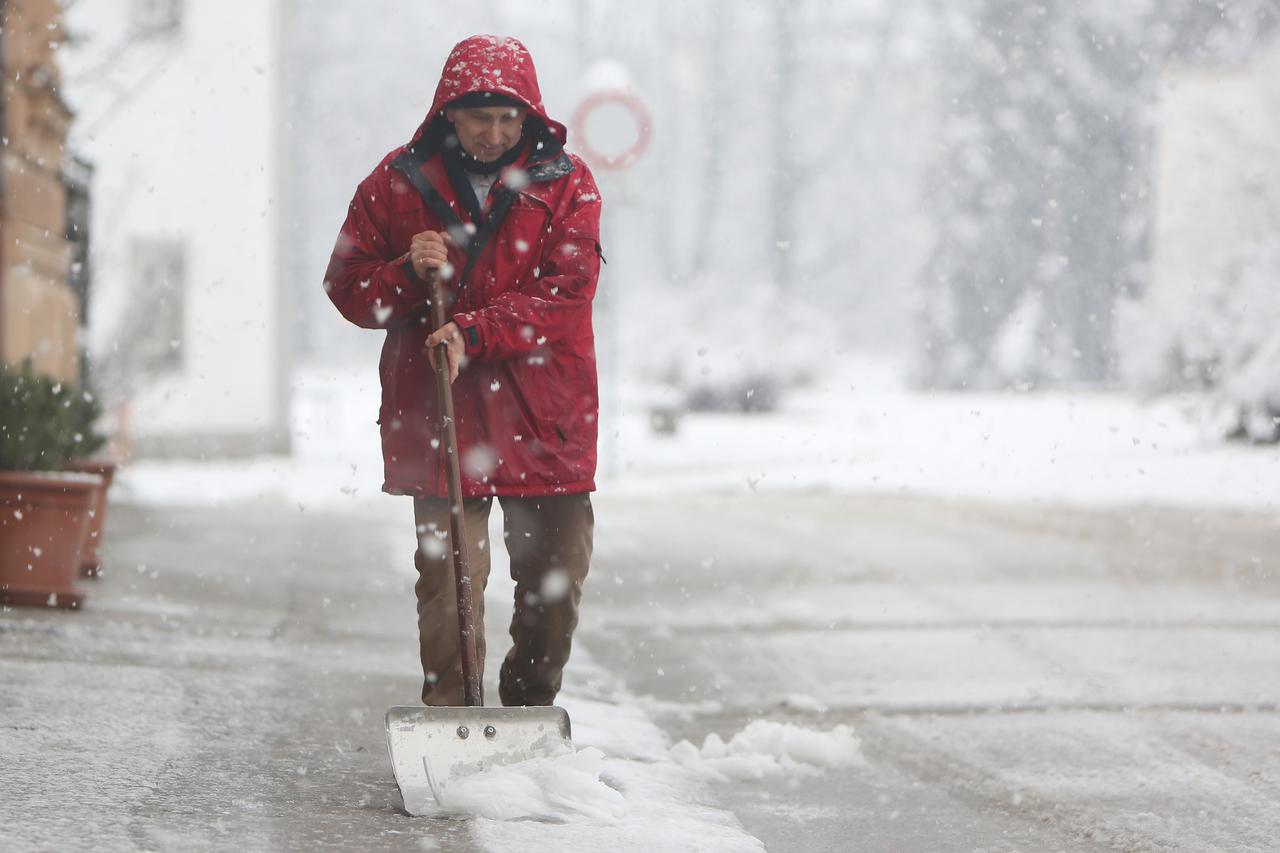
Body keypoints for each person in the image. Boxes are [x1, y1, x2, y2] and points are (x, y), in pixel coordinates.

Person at [324, 35, 603, 708]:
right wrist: (406, 274)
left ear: (529, 116)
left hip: (543, 416)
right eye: (481, 118)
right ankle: (452, 716)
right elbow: (348, 287)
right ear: (450, 112)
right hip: (440, 416)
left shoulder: (567, 182)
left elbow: (568, 292)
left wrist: (474, 332)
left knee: (555, 582)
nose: (496, 133)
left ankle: (529, 701)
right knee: (449, 585)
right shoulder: (396, 182)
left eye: (510, 119)